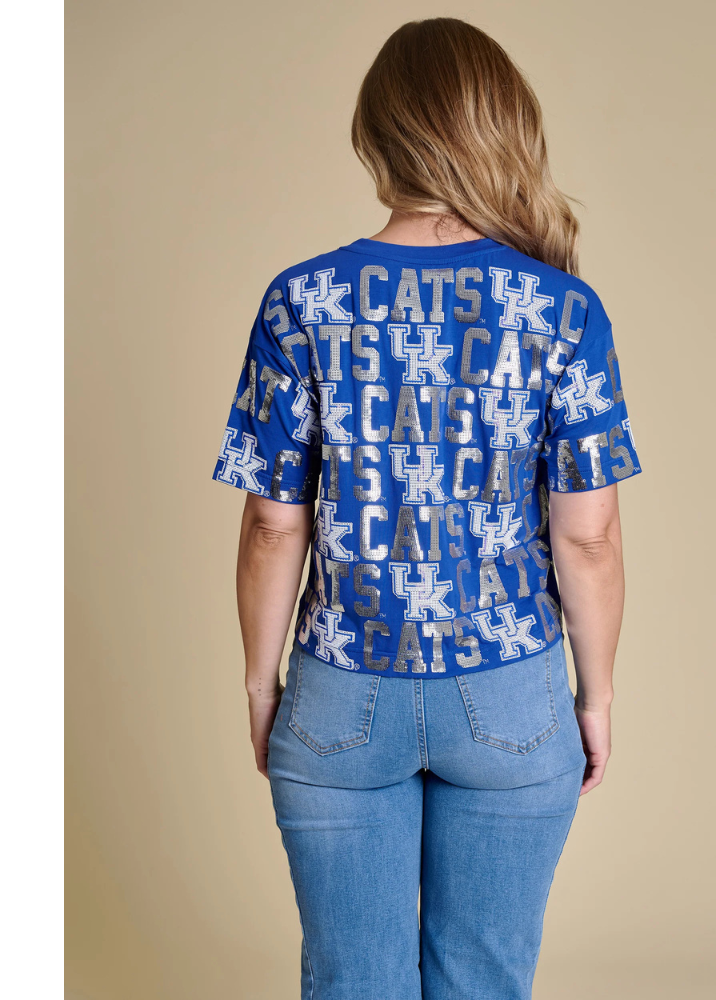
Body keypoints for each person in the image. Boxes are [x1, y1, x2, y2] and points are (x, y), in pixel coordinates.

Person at [211, 17, 642, 1000]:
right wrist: (595, 695)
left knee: (350, 981)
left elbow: (274, 524)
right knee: (484, 980)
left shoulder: (299, 300)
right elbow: (590, 538)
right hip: (511, 690)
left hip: (340, 686)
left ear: (376, 137)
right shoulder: (563, 310)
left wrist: (261, 683)